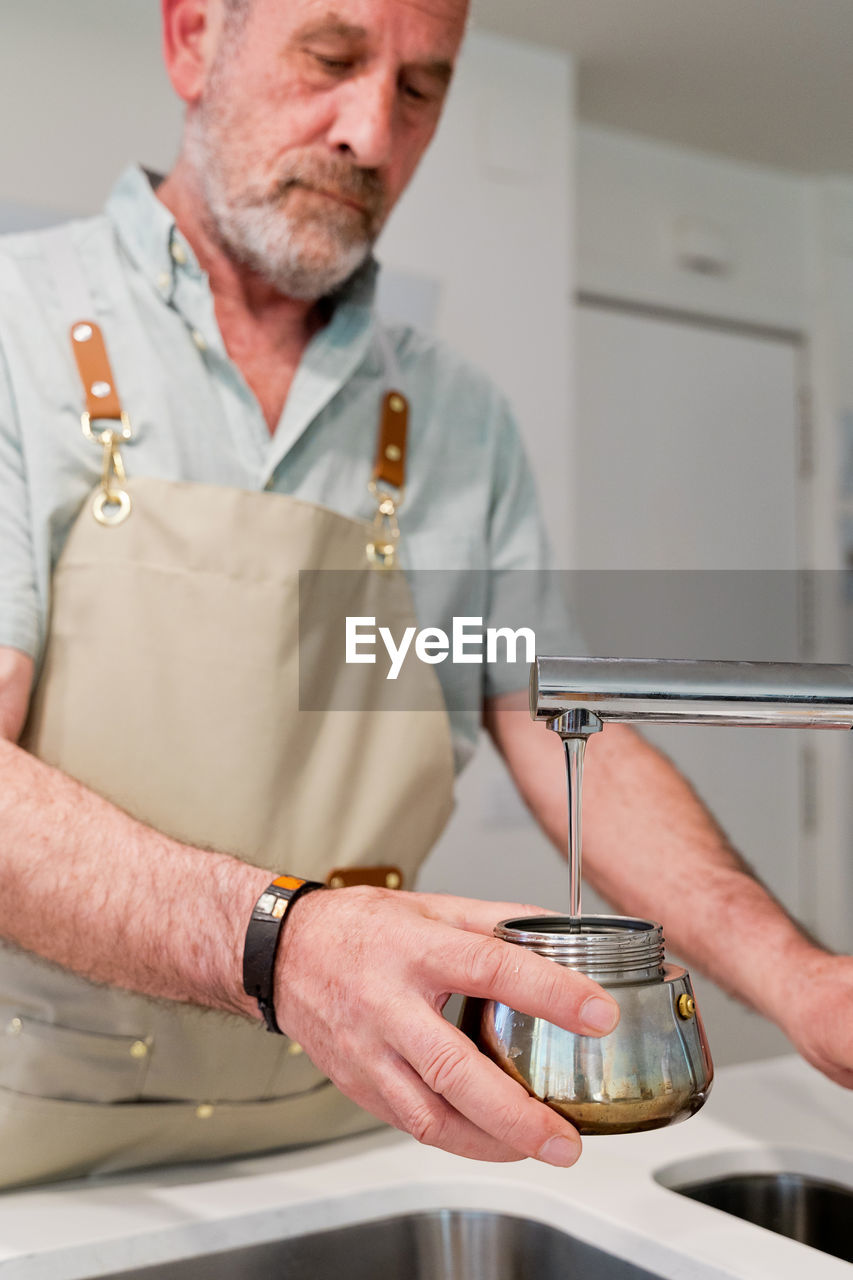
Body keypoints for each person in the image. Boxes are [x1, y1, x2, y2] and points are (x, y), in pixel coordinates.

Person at [0, 0, 850, 1191]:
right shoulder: (18, 330)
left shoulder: (460, 423)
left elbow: (564, 734)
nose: (370, 133)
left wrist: (805, 978)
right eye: (332, 58)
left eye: (420, 89)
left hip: (361, 1138)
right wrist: (278, 945)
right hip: (35, 1156)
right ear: (193, 41)